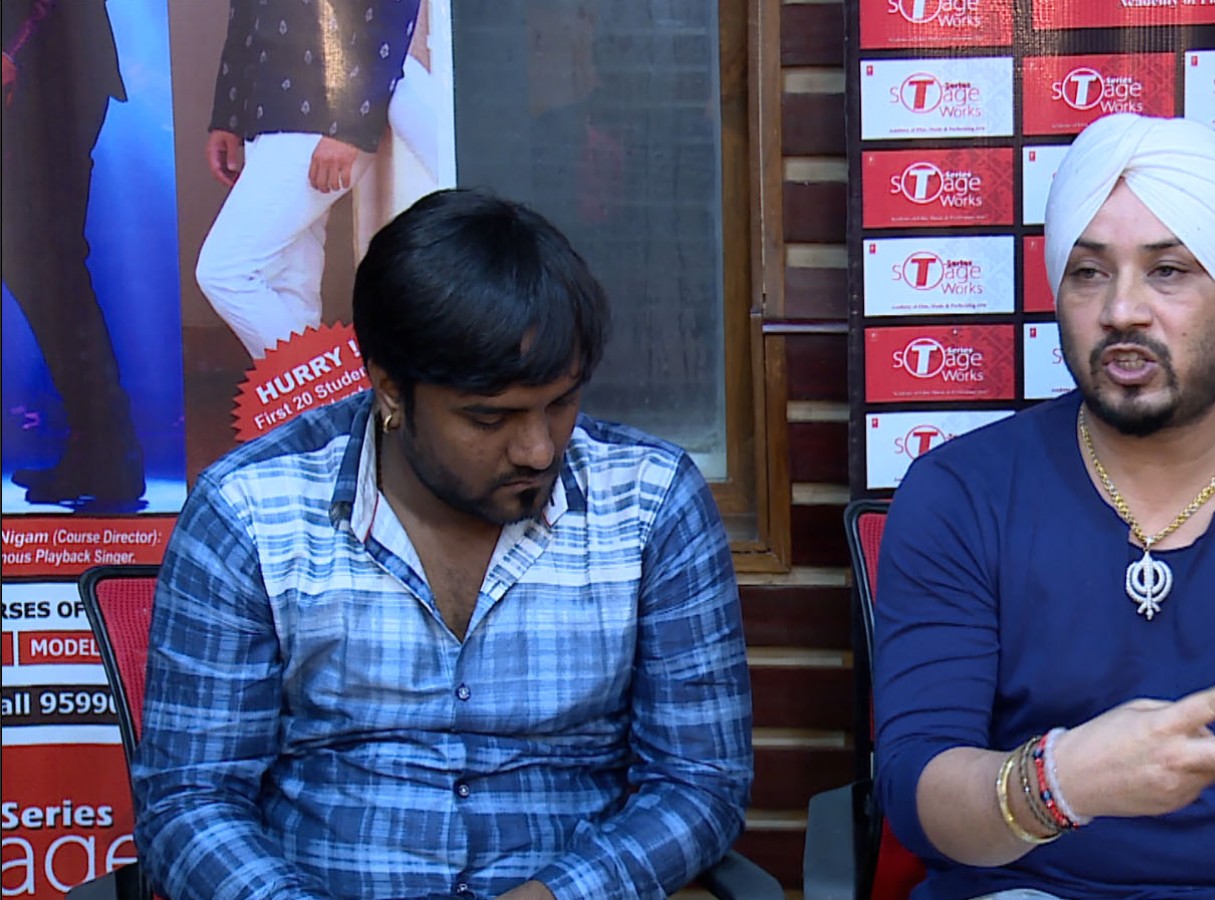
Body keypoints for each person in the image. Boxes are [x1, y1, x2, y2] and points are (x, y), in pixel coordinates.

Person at [872, 113, 1215, 900]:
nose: (1121, 311)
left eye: (1167, 271)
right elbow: (918, 788)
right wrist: (1060, 783)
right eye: (1089, 272)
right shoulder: (958, 494)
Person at [134, 189, 754, 899]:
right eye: (490, 418)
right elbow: (190, 801)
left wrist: (560, 895)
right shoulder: (250, 511)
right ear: (390, 391)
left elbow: (699, 782)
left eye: (561, 403)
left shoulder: (651, 502)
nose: (538, 449)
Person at [195, 0, 421, 359]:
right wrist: (229, 116)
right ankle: (315, 391)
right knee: (289, 287)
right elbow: (246, 15)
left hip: (322, 117)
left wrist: (350, 125)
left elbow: (392, 11)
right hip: (268, 115)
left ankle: (324, 384)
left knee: (225, 271)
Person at [2, 0, 144, 507]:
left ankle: (110, 454)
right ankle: (102, 450)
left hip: (48, 70)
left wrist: (9, 49)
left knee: (47, 265)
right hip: (42, 69)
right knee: (43, 267)